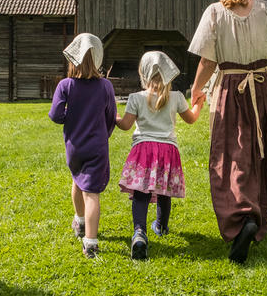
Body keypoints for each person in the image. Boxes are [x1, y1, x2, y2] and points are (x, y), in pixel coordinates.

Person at [188, 0, 267, 264]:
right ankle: (255, 215)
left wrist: (196, 90)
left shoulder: (214, 13)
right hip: (264, 83)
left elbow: (208, 62)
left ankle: (240, 218)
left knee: (230, 152)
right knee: (259, 150)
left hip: (229, 87)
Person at [116, 51, 205, 260]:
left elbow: (125, 126)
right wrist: (198, 104)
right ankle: (162, 227)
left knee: (141, 192)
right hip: (167, 150)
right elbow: (191, 119)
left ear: (144, 74)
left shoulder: (136, 98)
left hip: (143, 148)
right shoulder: (176, 97)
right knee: (164, 190)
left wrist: (114, 114)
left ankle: (139, 232)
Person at [48, 33, 116, 259]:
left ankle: (79, 221)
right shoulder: (105, 86)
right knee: (92, 193)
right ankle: (91, 242)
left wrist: (71, 115)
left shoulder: (65, 86)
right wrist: (102, 135)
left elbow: (56, 115)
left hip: (74, 146)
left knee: (77, 180)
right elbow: (111, 116)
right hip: (97, 146)